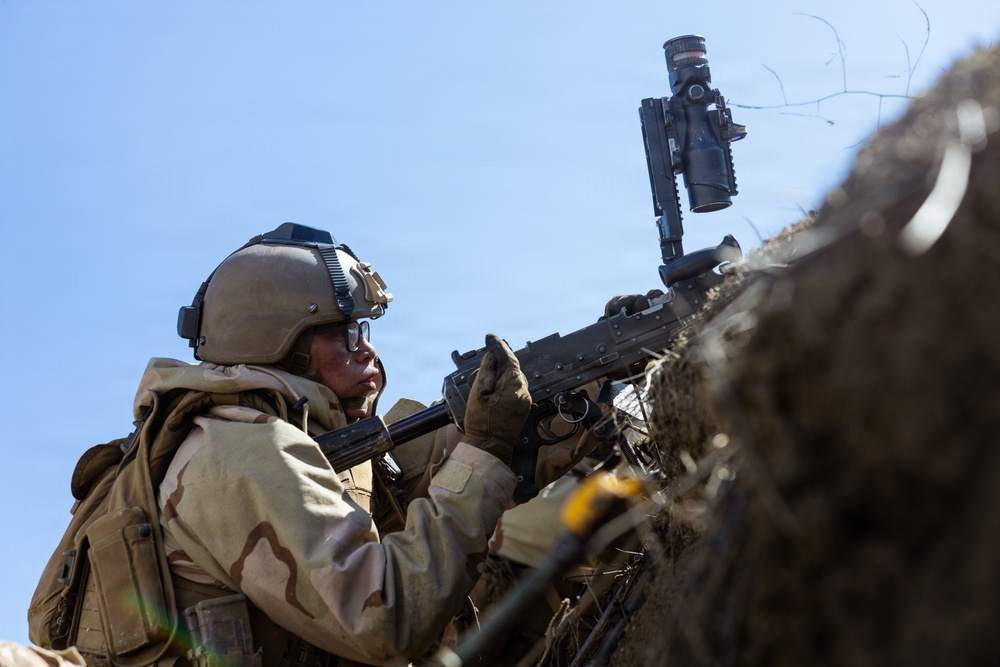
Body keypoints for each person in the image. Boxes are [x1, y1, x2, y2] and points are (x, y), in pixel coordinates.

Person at [30, 222, 594, 667]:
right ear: (284, 345)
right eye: (346, 333)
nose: (367, 352)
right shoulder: (236, 450)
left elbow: (418, 491)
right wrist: (487, 451)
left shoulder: (301, 440)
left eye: (366, 333)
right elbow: (385, 615)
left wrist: (580, 393)